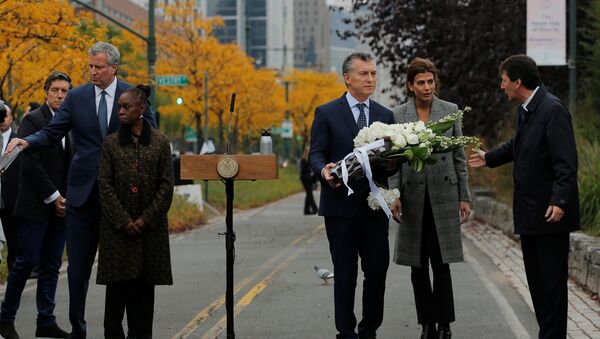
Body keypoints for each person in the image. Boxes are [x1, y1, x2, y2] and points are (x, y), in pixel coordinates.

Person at [5, 41, 156, 339]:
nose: (93, 72)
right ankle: (78, 329)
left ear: (114, 67)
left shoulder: (133, 95)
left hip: (121, 196)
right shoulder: (76, 97)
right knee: (76, 271)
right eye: (90, 66)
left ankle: (117, 330)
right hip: (82, 196)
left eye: (99, 67)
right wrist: (27, 141)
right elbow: (52, 132)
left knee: (119, 270)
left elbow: (151, 133)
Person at [468, 54, 579, 339]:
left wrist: (560, 200)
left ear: (517, 82)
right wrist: (489, 157)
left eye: (504, 80)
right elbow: (519, 145)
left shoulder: (552, 110)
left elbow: (566, 162)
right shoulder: (526, 110)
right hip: (530, 214)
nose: (501, 86)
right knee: (539, 286)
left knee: (552, 287)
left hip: (550, 214)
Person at [309, 52, 394, 339]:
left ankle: (369, 330)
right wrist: (324, 171)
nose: (370, 78)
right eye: (364, 74)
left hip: (374, 208)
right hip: (339, 208)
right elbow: (316, 153)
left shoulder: (386, 115)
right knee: (345, 275)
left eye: (373, 73)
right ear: (347, 78)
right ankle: (345, 333)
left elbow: (391, 162)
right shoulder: (327, 112)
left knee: (377, 271)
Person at [388, 58, 471, 339]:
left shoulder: (451, 111)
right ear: (410, 86)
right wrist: (394, 194)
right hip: (412, 198)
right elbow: (394, 160)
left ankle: (445, 323)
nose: (427, 87)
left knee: (442, 263)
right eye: (421, 82)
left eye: (430, 81)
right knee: (417, 265)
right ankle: (426, 323)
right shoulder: (398, 114)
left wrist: (464, 197)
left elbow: (460, 157)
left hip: (445, 195)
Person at [0, 72, 73, 339]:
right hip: (34, 205)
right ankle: (6, 317)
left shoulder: (70, 122)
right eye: (55, 90)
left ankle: (46, 320)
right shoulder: (33, 120)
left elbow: (71, 162)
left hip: (62, 207)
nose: (60, 95)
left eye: (65, 91)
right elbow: (29, 162)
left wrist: (66, 198)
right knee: (25, 262)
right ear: (45, 93)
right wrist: (54, 196)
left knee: (52, 264)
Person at [97, 85, 173, 338]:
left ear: (141, 109)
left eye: (126, 106)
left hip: (149, 233)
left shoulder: (161, 143)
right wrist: (123, 220)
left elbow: (166, 184)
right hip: (117, 232)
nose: (120, 111)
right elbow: (104, 183)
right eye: (119, 106)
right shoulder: (111, 144)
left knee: (143, 294)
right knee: (116, 293)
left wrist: (147, 218)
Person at [0, 103, 19, 274]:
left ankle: (14, 278)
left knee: (13, 242)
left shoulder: (18, 140)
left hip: (11, 201)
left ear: (11, 117)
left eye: (5, 115)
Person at [300, 146, 318, 215]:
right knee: (309, 194)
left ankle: (307, 210)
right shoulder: (303, 160)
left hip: (309, 179)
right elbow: (304, 171)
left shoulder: (309, 160)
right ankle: (314, 208)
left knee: (309, 194)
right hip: (305, 179)